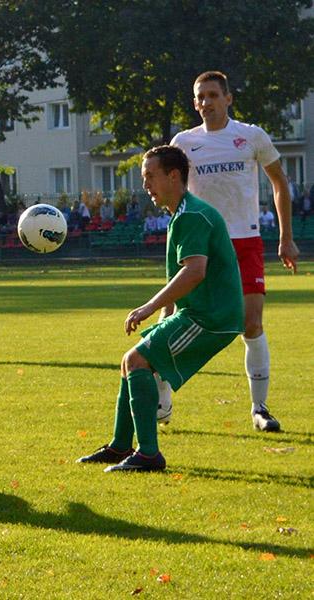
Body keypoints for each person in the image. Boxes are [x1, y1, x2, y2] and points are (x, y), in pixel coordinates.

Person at [77, 145, 244, 472]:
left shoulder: (191, 216)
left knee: (137, 360)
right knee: (131, 362)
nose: (146, 185)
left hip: (210, 317)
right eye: (144, 177)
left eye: (150, 176)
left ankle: (149, 454)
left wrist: (150, 307)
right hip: (198, 313)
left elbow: (195, 271)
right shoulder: (182, 214)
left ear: (174, 175)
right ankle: (120, 446)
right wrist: (165, 317)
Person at [170, 71, 299, 432]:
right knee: (179, 321)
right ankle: (162, 396)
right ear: (195, 104)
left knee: (251, 323)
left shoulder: (251, 136)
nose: (206, 102)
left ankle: (260, 409)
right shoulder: (183, 142)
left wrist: (286, 237)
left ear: (228, 98)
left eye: (213, 95)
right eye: (200, 97)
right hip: (202, 244)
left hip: (244, 242)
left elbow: (279, 182)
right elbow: (172, 193)